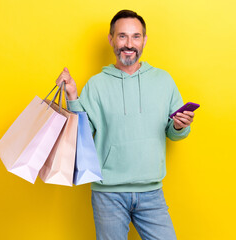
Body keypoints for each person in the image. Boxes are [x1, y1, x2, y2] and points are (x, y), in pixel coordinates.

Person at [56, 9, 195, 240]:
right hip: (108, 194)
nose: (128, 44)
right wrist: (72, 95)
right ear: (111, 39)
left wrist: (180, 126)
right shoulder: (96, 84)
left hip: (151, 191)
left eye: (135, 36)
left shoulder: (164, 80)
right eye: (122, 36)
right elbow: (83, 134)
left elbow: (175, 133)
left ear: (144, 40)